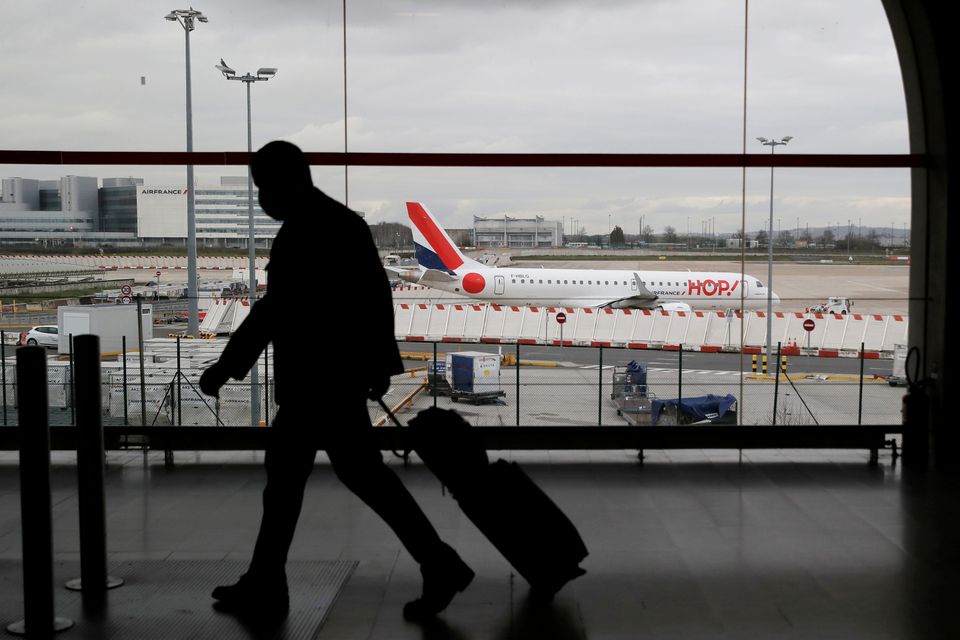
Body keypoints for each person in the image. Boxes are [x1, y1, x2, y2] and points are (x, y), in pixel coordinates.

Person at [199, 141, 474, 622]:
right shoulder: (341, 223)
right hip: (336, 380)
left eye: (263, 187)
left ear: (285, 181)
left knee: (302, 483)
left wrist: (227, 365)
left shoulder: (306, 232)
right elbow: (374, 301)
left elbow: (275, 310)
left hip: (316, 384)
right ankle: (434, 563)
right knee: (335, 480)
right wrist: (378, 367)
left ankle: (437, 563)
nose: (262, 197)